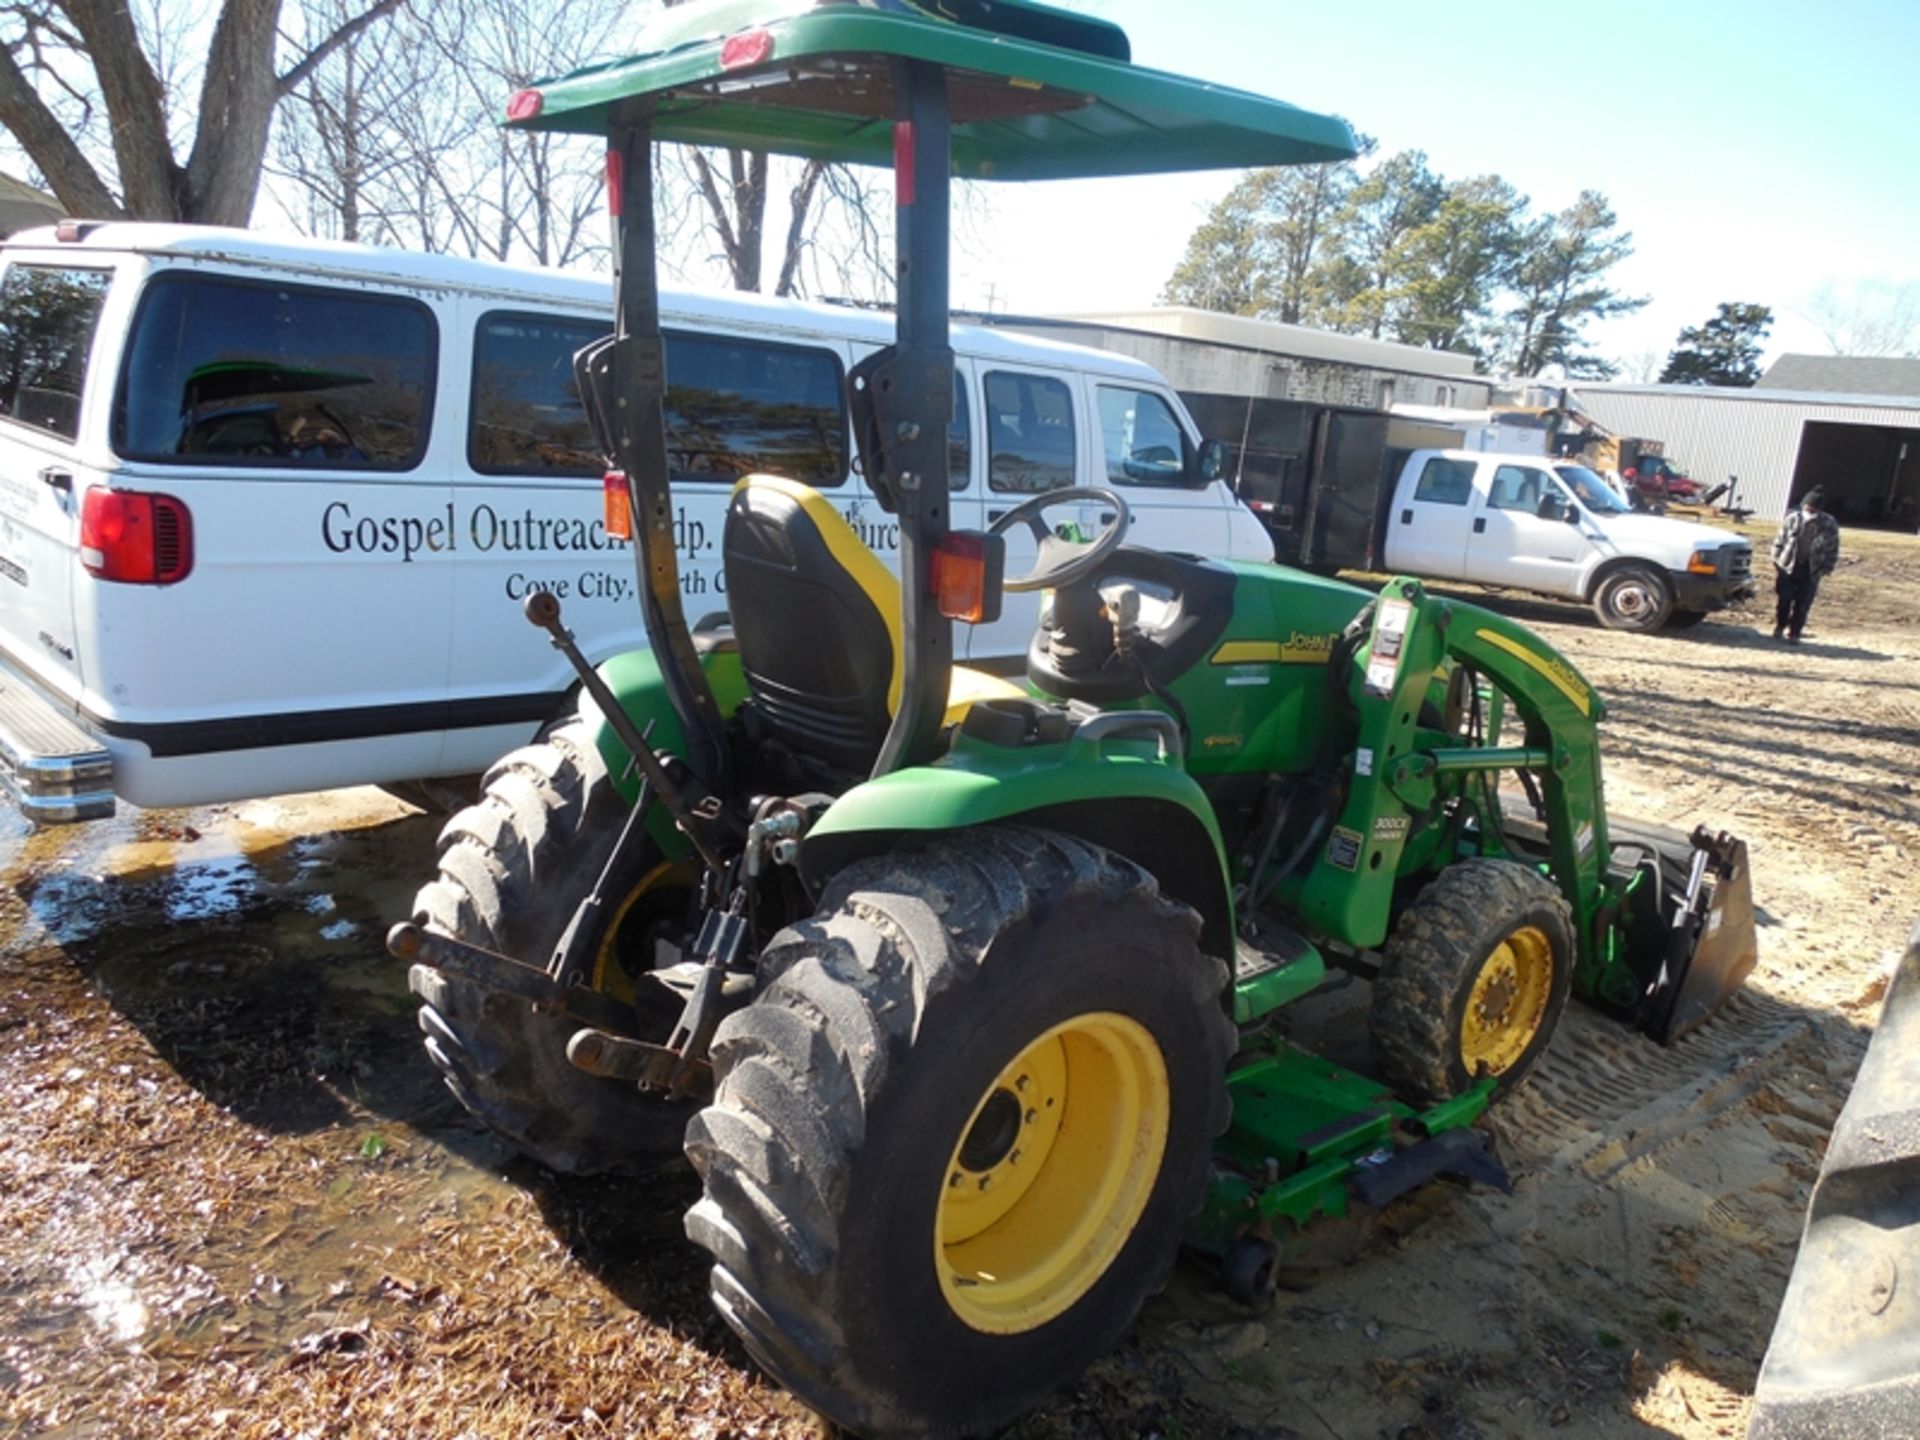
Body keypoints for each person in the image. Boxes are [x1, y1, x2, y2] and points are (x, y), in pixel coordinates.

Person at [1769, 487, 1841, 643]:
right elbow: (1779, 541)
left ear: (1819, 509)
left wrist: (1827, 568)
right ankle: (1780, 626)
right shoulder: (1792, 519)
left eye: (1813, 508)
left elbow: (1833, 548)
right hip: (1787, 567)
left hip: (1811, 570)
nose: (1809, 510)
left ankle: (1795, 633)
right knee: (1784, 600)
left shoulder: (1829, 523)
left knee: (1803, 604)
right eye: (1807, 507)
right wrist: (1776, 560)